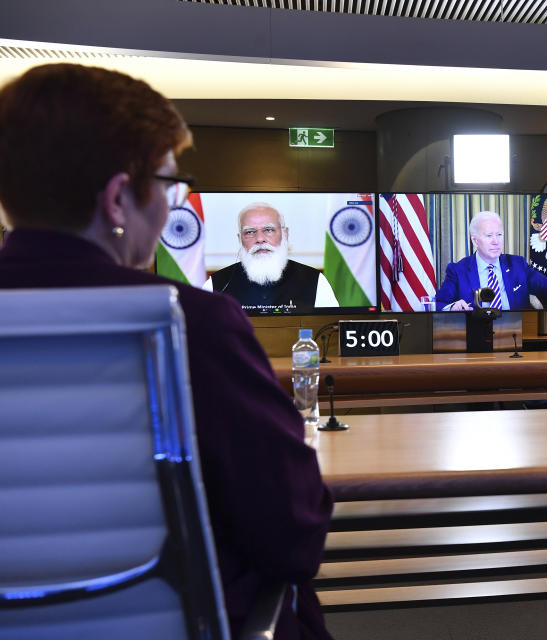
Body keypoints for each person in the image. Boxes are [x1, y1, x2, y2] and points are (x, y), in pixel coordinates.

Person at [0, 64, 334, 640]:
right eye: (169, 184)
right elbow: (293, 536)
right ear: (117, 200)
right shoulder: (193, 324)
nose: (171, 208)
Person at [204, 202, 339, 312]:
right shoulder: (215, 285)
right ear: (240, 239)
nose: (260, 239)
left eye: (268, 230)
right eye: (250, 232)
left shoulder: (315, 282)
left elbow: (332, 334)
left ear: (285, 234)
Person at [435, 211, 547, 311]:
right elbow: (438, 304)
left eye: (499, 234)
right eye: (489, 236)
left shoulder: (518, 265)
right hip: (474, 336)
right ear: (475, 240)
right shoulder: (458, 270)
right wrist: (452, 306)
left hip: (515, 334)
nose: (496, 241)